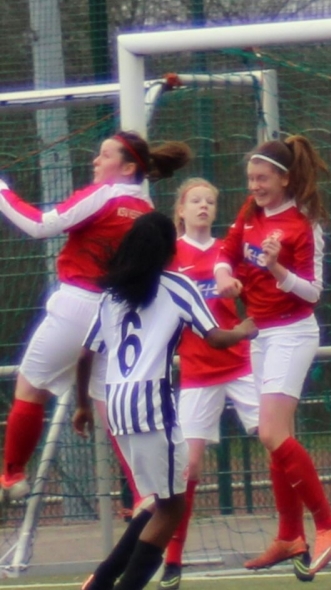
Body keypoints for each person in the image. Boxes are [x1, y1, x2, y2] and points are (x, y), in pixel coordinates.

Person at [0, 132, 191, 505]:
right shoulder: (147, 209)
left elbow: (40, 225)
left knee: (30, 386)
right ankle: (146, 496)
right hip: (120, 316)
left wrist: (3, 192)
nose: (96, 161)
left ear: (128, 167)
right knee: (112, 411)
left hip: (78, 307)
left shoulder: (105, 195)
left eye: (104, 155)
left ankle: (12, 475)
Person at [73, 211, 258, 590]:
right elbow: (214, 337)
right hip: (152, 407)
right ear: (167, 248)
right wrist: (243, 329)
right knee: (173, 508)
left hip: (118, 407)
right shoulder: (177, 286)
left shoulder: (111, 296)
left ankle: (100, 581)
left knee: (157, 501)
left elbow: (84, 355)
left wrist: (82, 406)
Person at [215, 136, 331, 577]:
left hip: (292, 332)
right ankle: (290, 535)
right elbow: (226, 253)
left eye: (263, 178)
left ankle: (327, 523)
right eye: (251, 178)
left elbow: (313, 293)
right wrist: (224, 277)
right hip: (261, 335)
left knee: (272, 431)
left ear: (285, 179)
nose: (255, 185)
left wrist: (276, 269)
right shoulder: (249, 212)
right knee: (275, 437)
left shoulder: (304, 224)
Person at [156, 178, 284, 589]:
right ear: (180, 210)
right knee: (188, 466)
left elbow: (260, 291)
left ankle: (294, 536)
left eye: (210, 201)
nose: (203, 206)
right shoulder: (169, 256)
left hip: (241, 364)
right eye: (195, 201)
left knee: (278, 442)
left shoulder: (228, 251)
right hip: (198, 371)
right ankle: (173, 560)